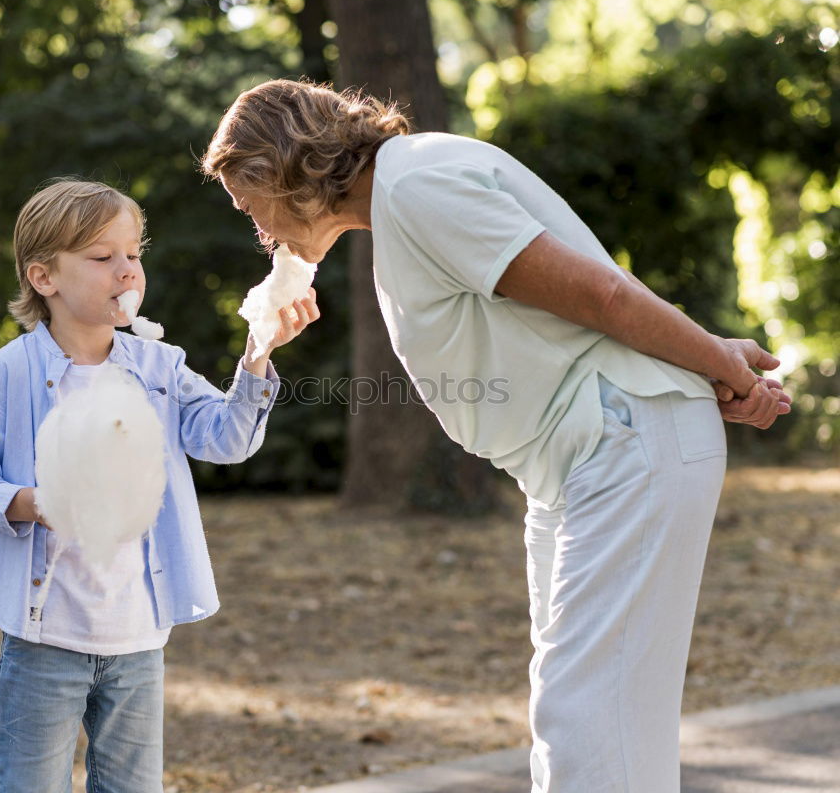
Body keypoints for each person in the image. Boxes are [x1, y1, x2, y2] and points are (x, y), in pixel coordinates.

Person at [201, 80, 791, 793]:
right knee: (588, 720)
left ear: (280, 170)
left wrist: (713, 362)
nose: (257, 230)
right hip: (582, 459)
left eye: (248, 205)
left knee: (589, 723)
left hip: (622, 437)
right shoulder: (405, 192)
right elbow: (573, 302)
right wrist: (706, 355)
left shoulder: (415, 186)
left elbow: (600, 294)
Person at [0, 178, 319, 793]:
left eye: (133, 254)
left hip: (138, 637)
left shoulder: (160, 366)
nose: (126, 270)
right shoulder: (8, 374)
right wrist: (30, 504)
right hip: (44, 636)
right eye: (102, 257)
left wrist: (258, 352)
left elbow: (226, 439)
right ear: (45, 278)